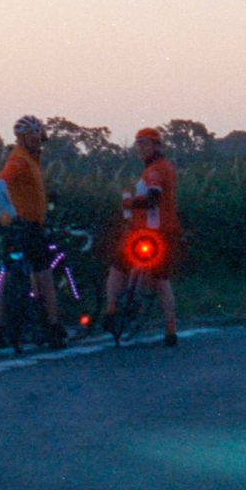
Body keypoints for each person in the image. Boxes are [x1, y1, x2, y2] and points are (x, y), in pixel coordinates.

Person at [103, 126, 183, 347]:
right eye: (138, 144)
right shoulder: (163, 167)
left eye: (145, 144)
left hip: (152, 233)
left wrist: (129, 203)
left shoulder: (155, 170)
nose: (141, 149)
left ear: (156, 146)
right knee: (161, 280)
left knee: (118, 265)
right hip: (165, 232)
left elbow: (153, 198)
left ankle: (110, 309)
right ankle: (171, 329)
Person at [0, 115, 66, 349]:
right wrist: (12, 212)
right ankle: (53, 330)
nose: (37, 140)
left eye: (38, 136)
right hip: (25, 226)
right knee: (43, 275)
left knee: (9, 274)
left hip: (20, 224)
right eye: (32, 136)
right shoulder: (20, 159)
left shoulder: (30, 158)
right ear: (23, 138)